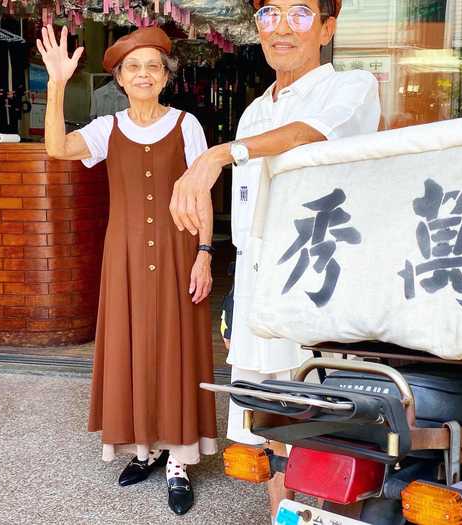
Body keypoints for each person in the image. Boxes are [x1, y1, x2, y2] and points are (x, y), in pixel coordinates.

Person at [169, 0, 381, 518]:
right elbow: (250, 217)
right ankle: (280, 515)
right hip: (261, 287)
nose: (282, 29)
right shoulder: (254, 111)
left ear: (328, 27)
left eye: (300, 14)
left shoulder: (351, 89)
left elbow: (309, 134)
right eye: (270, 15)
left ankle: (335, 516)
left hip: (323, 284)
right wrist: (237, 297)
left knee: (328, 421)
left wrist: (219, 154)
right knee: (269, 426)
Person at [36, 25, 217, 516]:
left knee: (176, 347)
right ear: (119, 78)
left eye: (152, 67)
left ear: (165, 77)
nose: (143, 75)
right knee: (133, 346)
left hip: (181, 252)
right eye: (132, 68)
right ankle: (146, 449)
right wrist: (56, 84)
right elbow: (56, 148)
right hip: (126, 258)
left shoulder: (188, 125)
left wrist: (205, 252)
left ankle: (179, 460)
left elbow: (201, 194)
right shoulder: (106, 129)